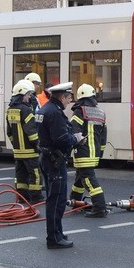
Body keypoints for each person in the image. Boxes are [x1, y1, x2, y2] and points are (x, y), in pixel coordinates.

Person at [37, 82, 83, 249]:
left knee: (53, 198)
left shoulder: (45, 109)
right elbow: (60, 138)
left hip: (47, 158)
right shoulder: (55, 113)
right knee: (57, 200)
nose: (69, 102)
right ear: (62, 97)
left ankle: (57, 232)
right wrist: (75, 139)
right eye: (69, 98)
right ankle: (54, 238)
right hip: (54, 160)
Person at [69, 84, 109, 217]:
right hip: (95, 153)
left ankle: (99, 208)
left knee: (89, 181)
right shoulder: (100, 112)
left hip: (83, 152)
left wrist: (70, 146)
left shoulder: (79, 111)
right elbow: (104, 136)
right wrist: (100, 152)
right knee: (80, 178)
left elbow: (74, 131)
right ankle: (75, 201)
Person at [6, 80, 43, 204]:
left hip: (18, 151)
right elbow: (31, 131)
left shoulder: (10, 110)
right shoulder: (26, 110)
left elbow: (9, 133)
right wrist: (37, 144)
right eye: (28, 94)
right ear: (22, 95)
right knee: (35, 174)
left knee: (21, 175)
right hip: (30, 150)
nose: (29, 97)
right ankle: (36, 197)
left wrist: (15, 145)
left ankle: (22, 197)